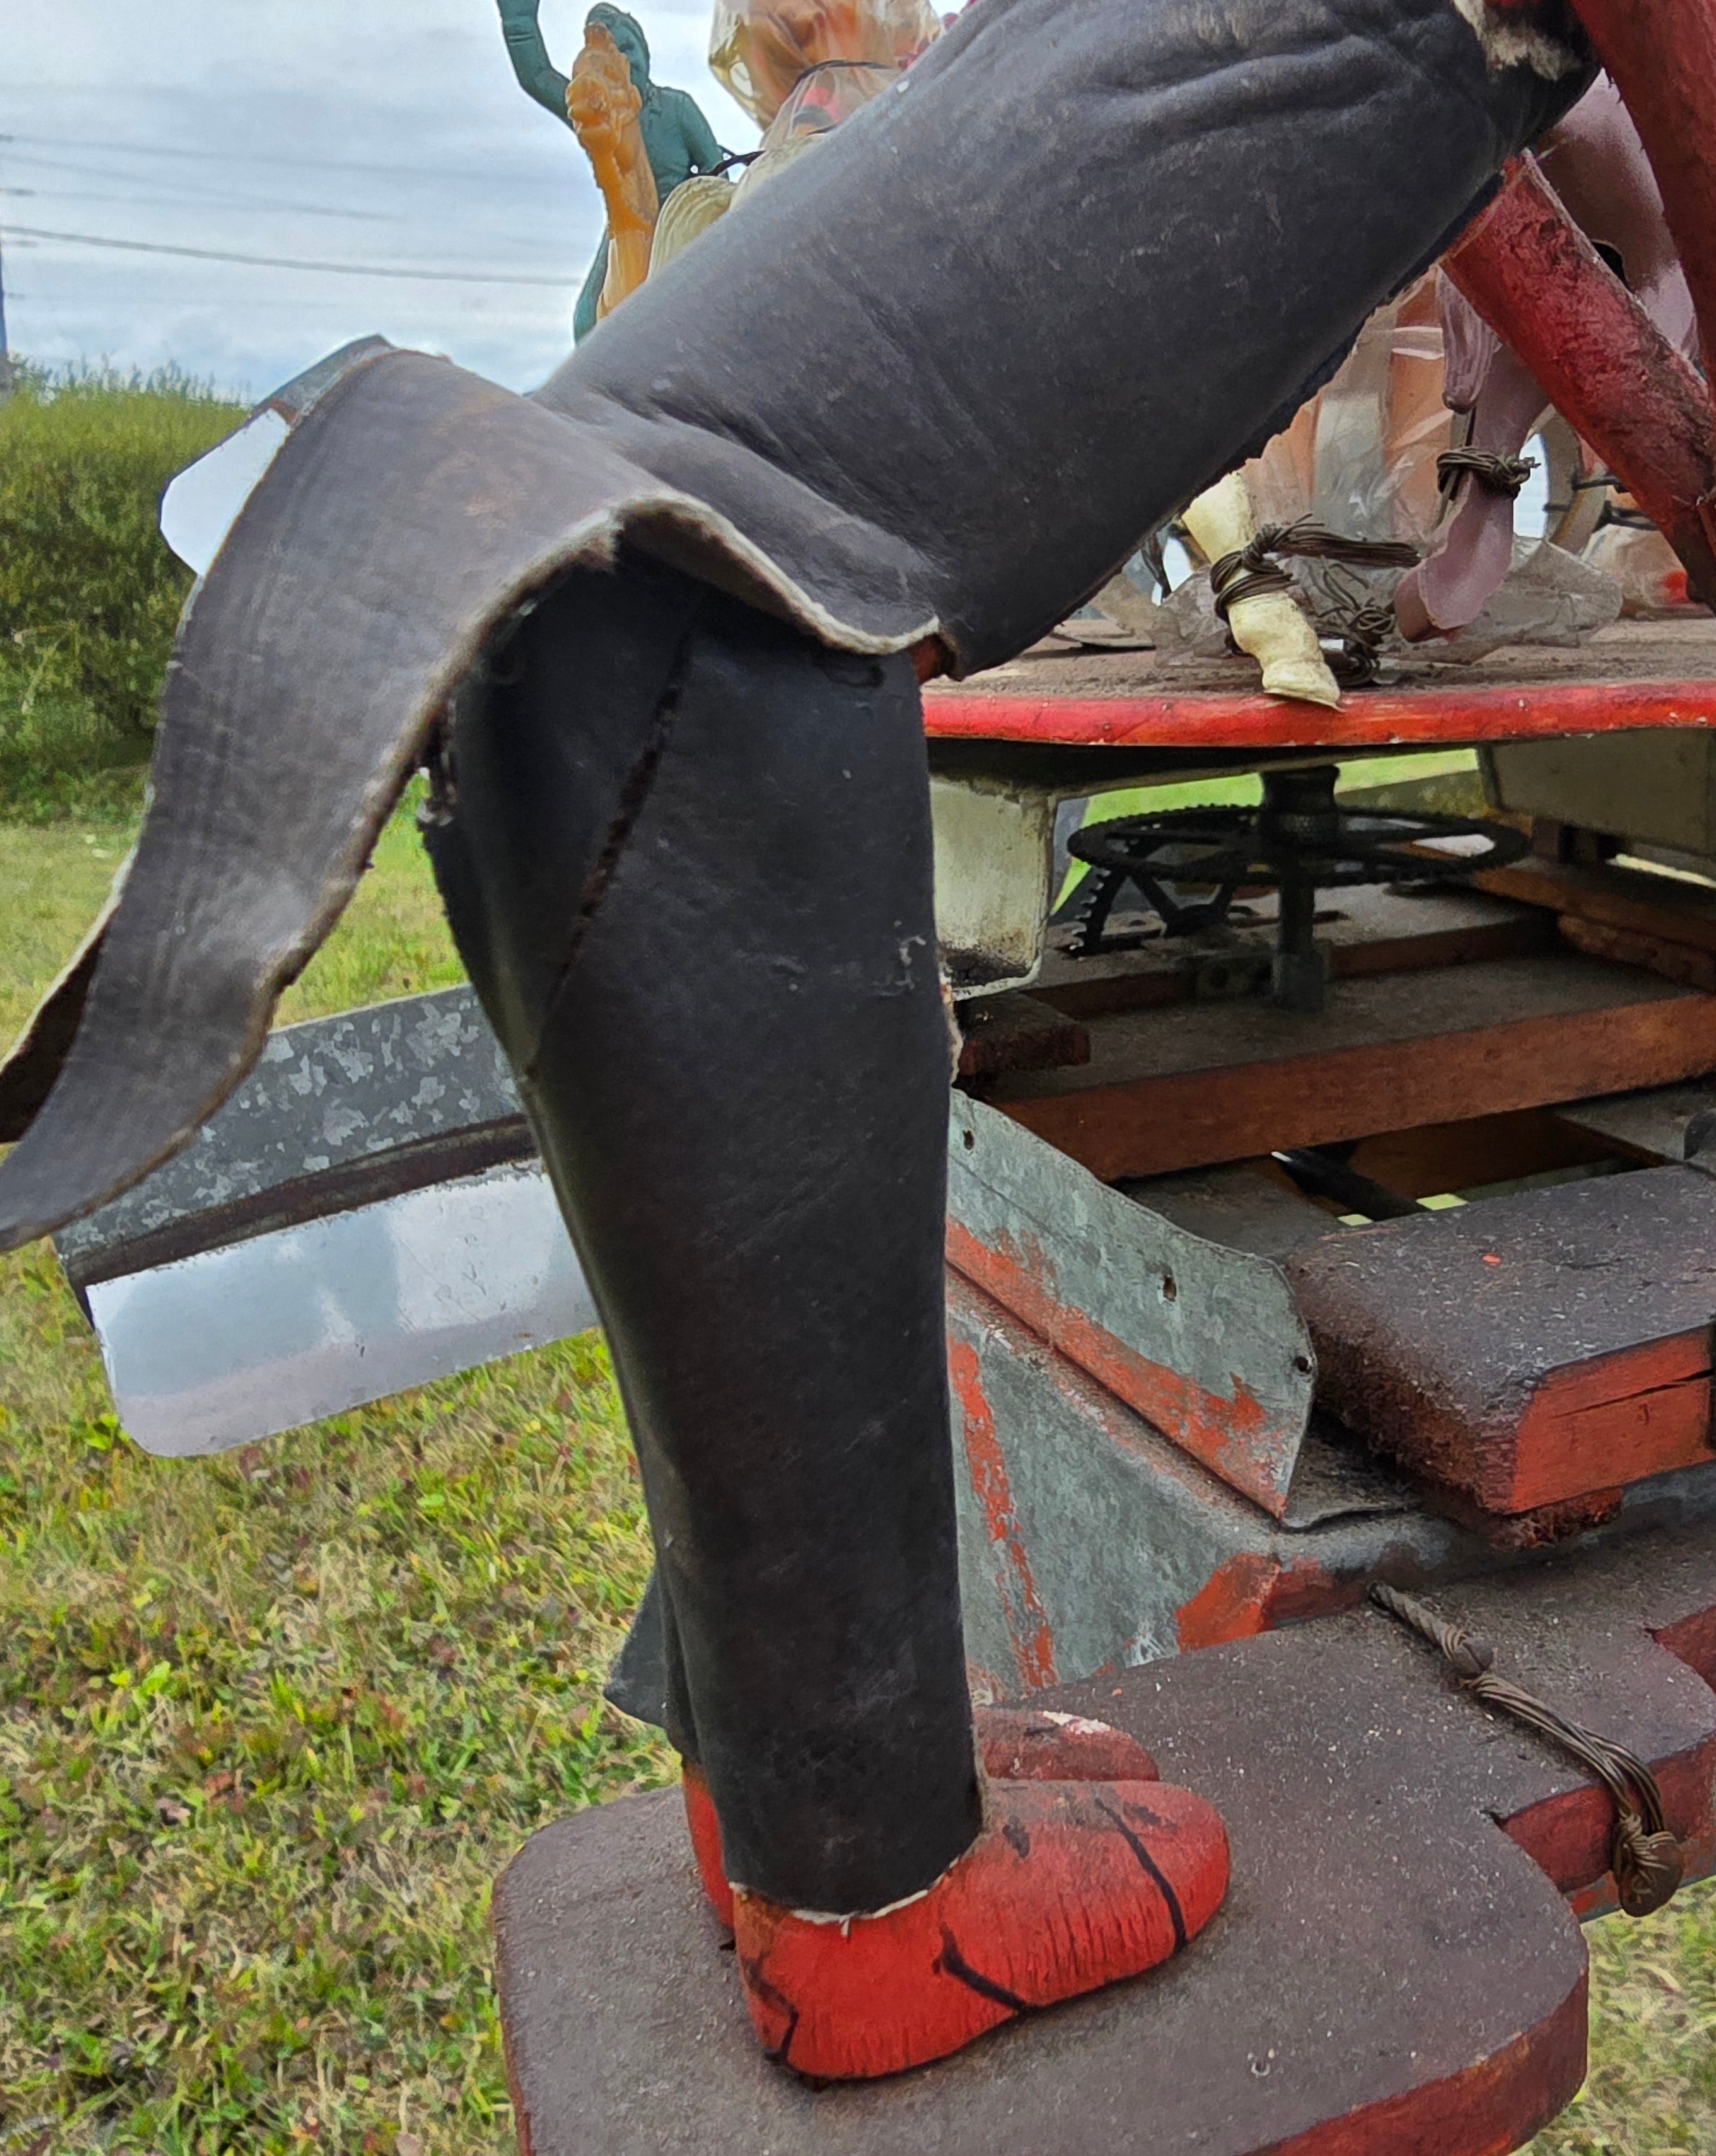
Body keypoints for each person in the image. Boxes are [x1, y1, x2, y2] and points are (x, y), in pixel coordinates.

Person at [0, 0, 1605, 2082]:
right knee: (795, 1277)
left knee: (767, 1315)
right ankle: (872, 1913)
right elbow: (1672, 209)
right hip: (711, 620)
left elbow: (1522, 222)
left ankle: (803, 1804)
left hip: (576, 550)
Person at [495, 0, 732, 338]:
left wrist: (706, 221)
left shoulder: (678, 108)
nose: (624, 58)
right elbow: (537, 77)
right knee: (586, 319)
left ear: (645, 53)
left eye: (628, 48)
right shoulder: (598, 106)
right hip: (626, 220)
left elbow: (716, 168)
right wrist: (519, 22)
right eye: (613, 52)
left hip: (681, 219)